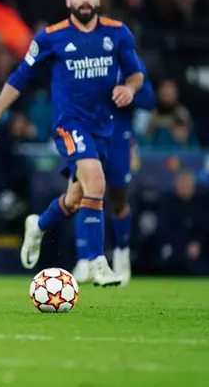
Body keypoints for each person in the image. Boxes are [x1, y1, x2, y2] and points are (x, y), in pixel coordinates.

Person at [0, 0, 145, 287]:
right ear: (68, 1)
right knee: (96, 181)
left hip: (103, 129)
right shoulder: (50, 37)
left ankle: (37, 225)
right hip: (70, 126)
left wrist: (130, 89)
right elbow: (20, 77)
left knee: (75, 199)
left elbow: (136, 75)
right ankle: (97, 261)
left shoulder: (118, 33)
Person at [71, 62, 155, 286]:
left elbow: (149, 100)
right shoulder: (88, 60)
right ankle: (84, 260)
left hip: (118, 139)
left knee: (118, 201)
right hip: (89, 136)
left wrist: (125, 92)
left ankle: (121, 254)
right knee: (84, 194)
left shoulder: (132, 68)